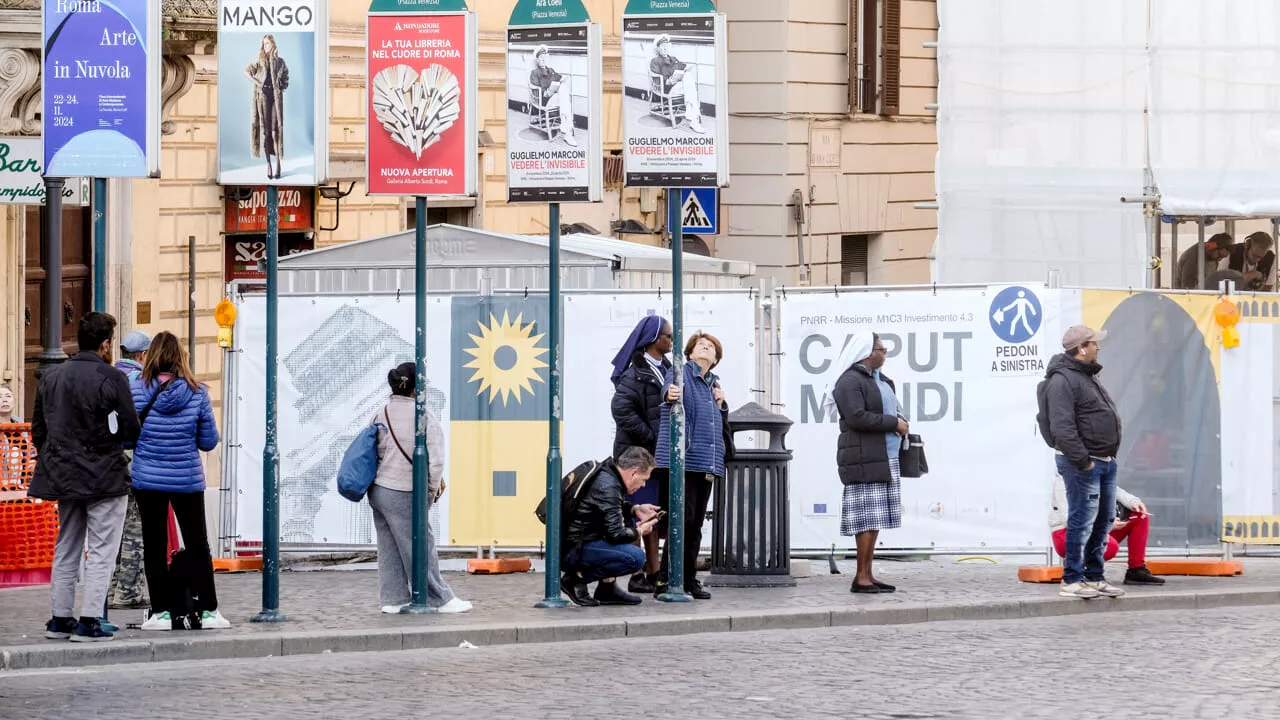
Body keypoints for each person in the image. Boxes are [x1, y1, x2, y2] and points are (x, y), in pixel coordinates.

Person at [29, 312, 140, 642]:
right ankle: (89, 620)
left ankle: (60, 619)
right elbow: (131, 427)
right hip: (104, 474)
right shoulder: (111, 377)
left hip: (64, 474)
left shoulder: (50, 377)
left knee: (67, 545)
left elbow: (38, 431)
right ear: (106, 344)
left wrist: (60, 454)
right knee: (102, 549)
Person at [131, 331, 228, 630]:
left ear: (151, 356)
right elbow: (209, 441)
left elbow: (127, 433)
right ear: (181, 357)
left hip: (148, 479)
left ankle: (160, 612)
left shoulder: (137, 389)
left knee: (154, 544)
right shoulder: (197, 392)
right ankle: (210, 611)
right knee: (198, 543)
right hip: (186, 478)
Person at [367, 362, 471, 614]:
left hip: (378, 489)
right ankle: (440, 598)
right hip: (404, 490)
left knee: (389, 546)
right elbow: (434, 462)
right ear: (417, 388)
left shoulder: (382, 412)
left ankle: (393, 599)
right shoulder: (423, 416)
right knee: (421, 544)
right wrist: (431, 491)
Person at [1043, 325, 1125, 600]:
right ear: (1081, 348)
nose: (1098, 348)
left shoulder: (1087, 376)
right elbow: (1062, 427)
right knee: (1082, 520)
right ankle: (1072, 579)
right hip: (1085, 462)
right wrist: (1083, 461)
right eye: (1094, 343)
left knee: (1103, 520)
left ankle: (1094, 576)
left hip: (1105, 459)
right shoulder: (1063, 380)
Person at [824, 332, 907, 594]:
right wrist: (893, 423)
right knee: (865, 518)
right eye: (881, 349)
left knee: (875, 519)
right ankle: (860, 576)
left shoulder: (882, 380)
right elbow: (857, 417)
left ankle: (868, 574)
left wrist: (899, 420)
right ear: (867, 352)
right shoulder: (849, 381)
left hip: (884, 455)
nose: (884, 354)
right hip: (863, 456)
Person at [654, 331, 729, 600]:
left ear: (716, 358)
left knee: (695, 524)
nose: (706, 349)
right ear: (690, 352)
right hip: (683, 460)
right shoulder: (680, 372)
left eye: (711, 347)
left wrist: (722, 404)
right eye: (701, 345)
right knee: (680, 520)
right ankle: (666, 579)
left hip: (705, 463)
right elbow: (668, 392)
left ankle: (688, 579)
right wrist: (669, 394)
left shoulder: (713, 384)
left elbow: (717, 425)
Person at [609, 315, 673, 594]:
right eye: (667, 336)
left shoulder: (668, 369)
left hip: (656, 454)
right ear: (652, 340)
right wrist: (651, 436)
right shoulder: (634, 372)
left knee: (654, 515)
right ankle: (637, 573)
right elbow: (622, 410)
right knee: (639, 515)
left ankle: (654, 571)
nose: (671, 340)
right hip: (637, 455)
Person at [561, 446, 662, 606]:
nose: (643, 485)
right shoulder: (608, 485)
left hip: (576, 542)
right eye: (644, 479)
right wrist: (640, 531)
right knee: (635, 558)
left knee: (624, 535)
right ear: (634, 472)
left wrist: (635, 509)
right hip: (574, 549)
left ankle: (607, 588)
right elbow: (616, 534)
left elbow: (609, 508)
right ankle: (574, 579)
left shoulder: (608, 475)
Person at [1048, 474, 1164, 586]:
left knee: (1140, 514)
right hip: (1066, 533)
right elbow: (1068, 520)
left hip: (1096, 530)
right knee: (1110, 547)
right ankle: (1078, 570)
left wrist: (1134, 502)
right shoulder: (1063, 481)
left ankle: (1136, 569)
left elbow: (1117, 491)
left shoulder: (1097, 472)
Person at [108, 330, 150, 610]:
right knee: (136, 527)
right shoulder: (141, 382)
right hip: (135, 457)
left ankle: (110, 591)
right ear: (143, 355)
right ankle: (128, 592)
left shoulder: (109, 376)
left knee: (115, 527)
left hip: (108, 459)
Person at [245, 34, 289, 180]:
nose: (265, 47)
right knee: (266, 132)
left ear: (273, 45)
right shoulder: (259, 61)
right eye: (264, 44)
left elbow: (286, 78)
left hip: (275, 98)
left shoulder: (280, 62)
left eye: (268, 44)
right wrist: (258, 83)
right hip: (263, 97)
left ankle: (278, 164)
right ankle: (269, 165)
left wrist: (280, 86)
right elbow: (246, 71)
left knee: (276, 131)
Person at [650, 34, 707, 134]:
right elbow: (654, 75)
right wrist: (666, 80)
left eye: (667, 46)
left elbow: (683, 67)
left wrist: (686, 69)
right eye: (662, 46)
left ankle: (692, 118)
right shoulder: (655, 61)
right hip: (668, 87)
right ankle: (694, 119)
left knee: (688, 77)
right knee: (690, 86)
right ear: (658, 49)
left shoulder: (673, 59)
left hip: (680, 85)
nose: (665, 48)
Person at [529, 44, 577, 147]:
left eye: (545, 57)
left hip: (555, 97)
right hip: (545, 99)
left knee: (563, 88)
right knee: (565, 97)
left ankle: (566, 130)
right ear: (537, 60)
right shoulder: (534, 72)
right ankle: (568, 130)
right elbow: (535, 86)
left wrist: (563, 78)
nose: (543, 60)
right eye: (541, 58)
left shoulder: (551, 70)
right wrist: (544, 92)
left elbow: (559, 77)